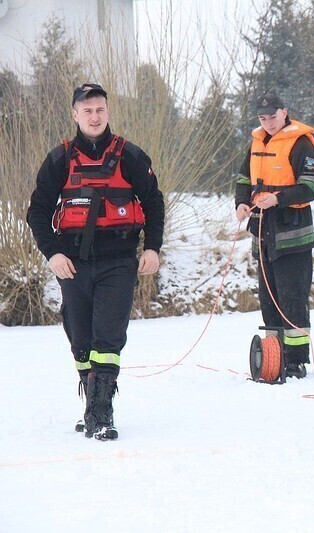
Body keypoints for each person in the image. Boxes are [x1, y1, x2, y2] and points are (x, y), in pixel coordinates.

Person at [26, 83, 165, 440]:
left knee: (108, 335)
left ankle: (102, 413)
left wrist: (152, 247)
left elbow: (153, 202)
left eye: (100, 109)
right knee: (80, 339)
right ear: (75, 115)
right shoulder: (59, 159)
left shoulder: (130, 155)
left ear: (108, 112)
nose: (94, 116)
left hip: (118, 259)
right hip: (72, 262)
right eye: (86, 110)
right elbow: (38, 212)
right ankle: (91, 404)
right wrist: (52, 253)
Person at [235, 94, 314, 379]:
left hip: (292, 233)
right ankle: (274, 355)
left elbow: (309, 189)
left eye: (272, 116)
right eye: (263, 118)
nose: (268, 122)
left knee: (293, 298)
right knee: (268, 299)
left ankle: (296, 361)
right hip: (262, 230)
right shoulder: (257, 141)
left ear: (284, 112)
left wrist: (279, 199)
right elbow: (244, 179)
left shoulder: (301, 143)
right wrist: (241, 203)